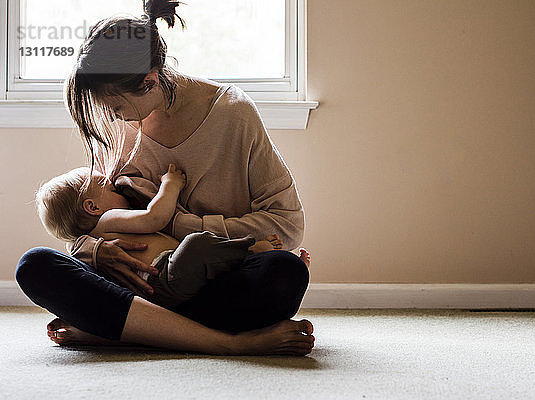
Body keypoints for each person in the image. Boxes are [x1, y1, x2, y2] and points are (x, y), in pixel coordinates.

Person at [15, 0, 315, 356]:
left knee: (284, 273)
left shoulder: (233, 115)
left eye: (115, 107)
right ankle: (228, 340)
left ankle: (124, 329)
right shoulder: (121, 127)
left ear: (149, 81)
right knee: (35, 266)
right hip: (143, 283)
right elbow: (88, 216)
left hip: (214, 279)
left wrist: (179, 224)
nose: (113, 118)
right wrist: (95, 251)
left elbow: (285, 226)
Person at [35, 164, 310, 311]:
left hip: (165, 289)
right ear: (92, 207)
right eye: (106, 185)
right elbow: (155, 217)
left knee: (212, 265)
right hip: (164, 274)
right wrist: (170, 185)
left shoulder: (95, 240)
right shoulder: (106, 221)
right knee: (197, 244)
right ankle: (250, 250)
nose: (115, 184)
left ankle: (265, 267)